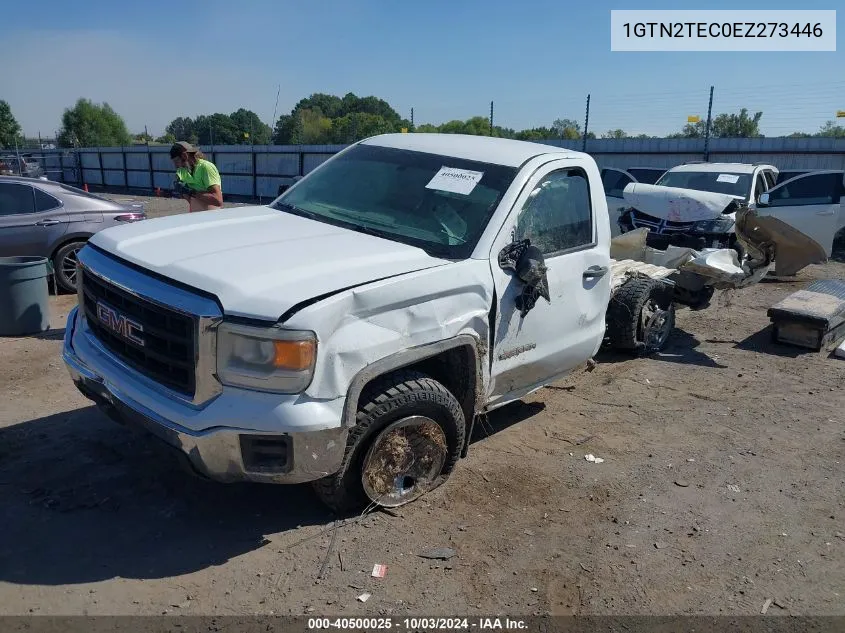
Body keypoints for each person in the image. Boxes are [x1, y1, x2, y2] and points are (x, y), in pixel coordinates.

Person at [170, 141, 224, 212]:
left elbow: (218, 200)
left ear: (184, 156)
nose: (176, 166)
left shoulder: (206, 167)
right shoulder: (183, 170)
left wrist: (191, 192)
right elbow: (189, 198)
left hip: (211, 215)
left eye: (177, 161)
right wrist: (182, 192)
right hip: (196, 214)